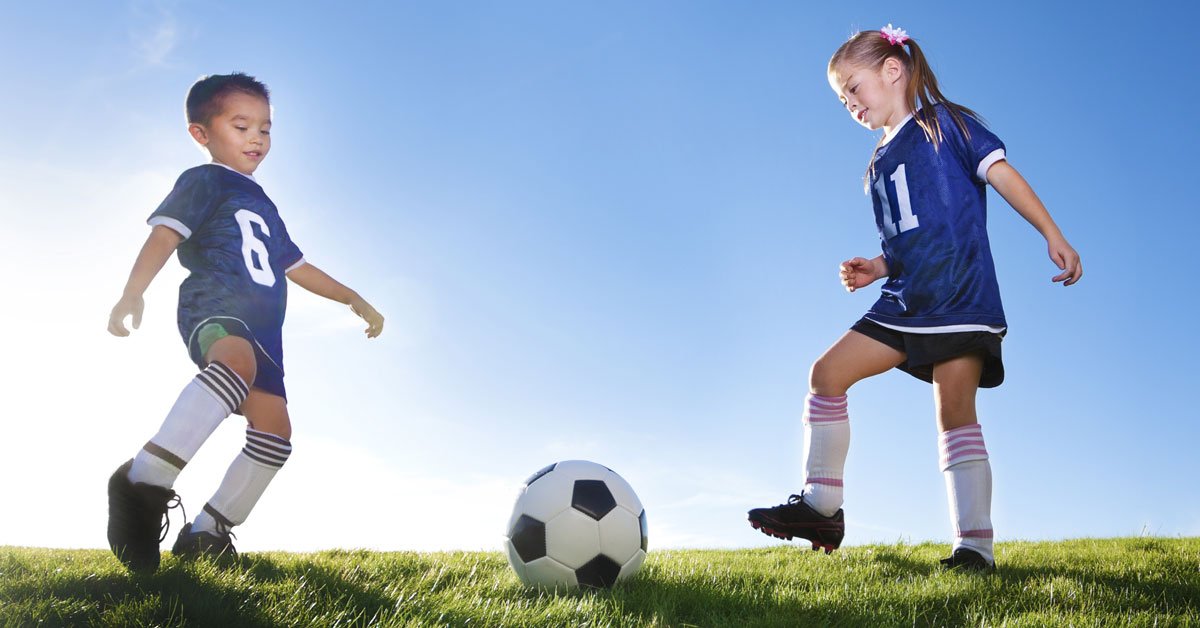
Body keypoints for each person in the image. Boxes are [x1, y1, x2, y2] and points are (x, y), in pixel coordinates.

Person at [747, 24, 1082, 571]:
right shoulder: (876, 166)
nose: (849, 103)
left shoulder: (943, 125)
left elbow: (1002, 176)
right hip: (905, 298)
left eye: (853, 87)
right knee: (825, 375)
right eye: (841, 98)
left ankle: (975, 548)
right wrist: (877, 266)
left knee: (954, 416)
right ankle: (822, 507)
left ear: (892, 70)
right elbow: (906, 237)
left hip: (958, 295)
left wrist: (1052, 233)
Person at [106, 73, 385, 573]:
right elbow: (166, 236)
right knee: (232, 362)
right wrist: (133, 291)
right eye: (241, 126)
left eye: (266, 128)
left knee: (276, 431)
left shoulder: (265, 205)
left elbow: (296, 267)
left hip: (265, 328)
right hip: (215, 302)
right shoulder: (204, 180)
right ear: (202, 134)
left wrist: (352, 298)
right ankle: (141, 484)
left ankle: (207, 533)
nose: (257, 137)